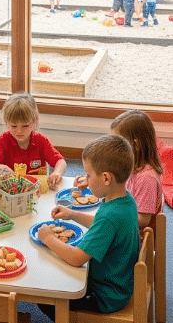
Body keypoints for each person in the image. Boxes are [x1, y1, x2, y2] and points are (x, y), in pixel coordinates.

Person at [35, 134, 138, 321]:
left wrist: (47, 238)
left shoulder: (109, 216)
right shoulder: (125, 200)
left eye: (89, 175)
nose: (87, 180)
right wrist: (72, 214)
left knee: (44, 297)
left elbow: (76, 258)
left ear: (106, 178)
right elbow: (103, 226)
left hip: (104, 296)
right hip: (119, 283)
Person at [75, 110, 163, 231]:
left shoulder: (147, 179)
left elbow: (143, 220)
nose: (113, 146)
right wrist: (92, 180)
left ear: (136, 145)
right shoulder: (130, 165)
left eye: (118, 142)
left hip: (133, 238)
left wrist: (115, 215)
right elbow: (117, 183)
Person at [0, 92, 66, 188]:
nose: (19, 131)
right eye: (14, 126)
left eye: (25, 125)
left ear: (34, 121)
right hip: (12, 188)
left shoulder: (41, 141)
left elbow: (60, 161)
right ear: (6, 123)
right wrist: (1, 169)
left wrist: (57, 173)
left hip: (36, 189)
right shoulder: (3, 140)